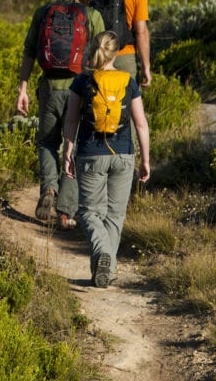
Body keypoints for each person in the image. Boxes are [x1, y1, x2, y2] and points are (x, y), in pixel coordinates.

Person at [16, 0, 104, 229]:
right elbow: (102, 56)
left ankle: (49, 190)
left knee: (46, 142)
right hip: (79, 89)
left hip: (49, 89)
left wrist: (23, 88)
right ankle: (66, 212)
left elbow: (30, 51)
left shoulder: (43, 12)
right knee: (73, 145)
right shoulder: (91, 16)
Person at [63, 30, 151, 287]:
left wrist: (67, 150)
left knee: (90, 213)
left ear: (94, 50)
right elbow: (141, 124)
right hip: (123, 154)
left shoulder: (82, 81)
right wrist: (145, 159)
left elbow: (71, 119)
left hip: (91, 153)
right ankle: (106, 272)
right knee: (114, 216)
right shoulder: (128, 81)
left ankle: (102, 257)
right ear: (115, 53)